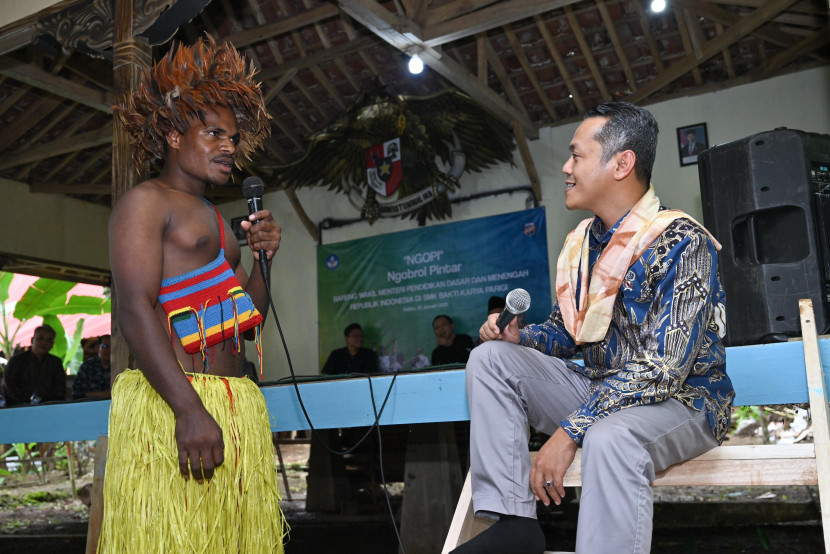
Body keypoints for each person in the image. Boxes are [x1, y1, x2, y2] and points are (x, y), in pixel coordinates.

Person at [453, 102, 734, 554]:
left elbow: (664, 368)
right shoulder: (583, 243)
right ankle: (513, 523)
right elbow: (567, 333)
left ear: (622, 163)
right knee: (490, 359)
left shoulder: (685, 242)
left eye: (577, 156)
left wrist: (569, 431)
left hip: (685, 402)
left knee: (609, 437)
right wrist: (521, 338)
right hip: (602, 390)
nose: (565, 167)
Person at [101, 37, 285, 553]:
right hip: (175, 403)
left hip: (233, 402)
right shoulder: (145, 202)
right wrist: (187, 409)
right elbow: (133, 309)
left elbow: (246, 323)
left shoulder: (215, 221)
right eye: (214, 133)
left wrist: (263, 260)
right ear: (171, 134)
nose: (230, 146)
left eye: (233, 136)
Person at [1, 325, 66, 405]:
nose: (44, 343)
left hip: (48, 408)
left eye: (48, 340)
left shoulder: (55, 363)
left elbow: (60, 390)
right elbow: (8, 389)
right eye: (40, 339)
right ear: (32, 340)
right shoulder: (17, 361)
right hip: (18, 408)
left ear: (52, 344)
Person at [71, 335, 111, 400]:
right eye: (105, 346)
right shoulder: (87, 367)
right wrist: (99, 394)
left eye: (112, 346)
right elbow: (76, 394)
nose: (109, 350)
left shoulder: (120, 367)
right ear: (97, 348)